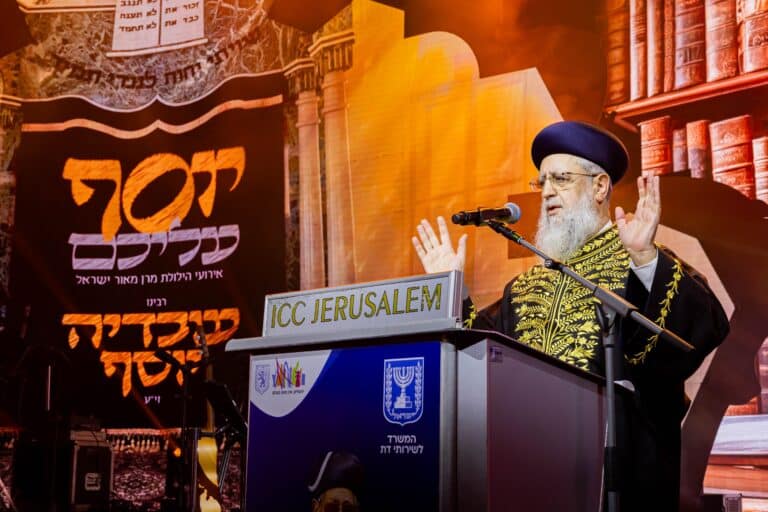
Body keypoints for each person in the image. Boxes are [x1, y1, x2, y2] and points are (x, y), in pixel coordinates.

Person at [411, 121, 729, 511]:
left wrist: (645, 258)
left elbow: (700, 329)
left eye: (560, 179)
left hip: (618, 483)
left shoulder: (636, 264)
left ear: (600, 187)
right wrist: (454, 292)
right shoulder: (525, 287)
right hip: (533, 477)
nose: (547, 191)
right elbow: (486, 361)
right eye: (542, 181)